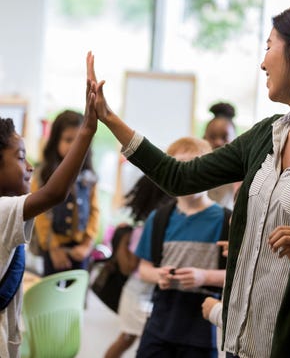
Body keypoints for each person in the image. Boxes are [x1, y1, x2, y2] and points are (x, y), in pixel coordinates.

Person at [87, 0, 290, 355]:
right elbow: (180, 177)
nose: (263, 62)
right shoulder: (267, 135)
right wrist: (109, 117)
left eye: (268, 47)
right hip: (236, 345)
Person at [0, 78, 98, 358]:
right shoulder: (3, 210)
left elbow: (92, 212)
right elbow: (54, 194)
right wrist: (88, 129)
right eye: (20, 157)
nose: (29, 166)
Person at [131, 136, 228, 358]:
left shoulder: (227, 221)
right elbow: (144, 269)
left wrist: (204, 277)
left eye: (193, 166)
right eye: (178, 167)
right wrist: (159, 275)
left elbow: (241, 276)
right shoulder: (159, 219)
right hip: (160, 325)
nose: (186, 175)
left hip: (204, 330)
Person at [104, 175, 174, 358]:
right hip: (137, 294)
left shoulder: (143, 228)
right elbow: (131, 266)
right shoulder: (144, 231)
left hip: (144, 293)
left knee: (128, 339)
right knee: (135, 340)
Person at [31, 110, 100, 276]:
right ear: (55, 141)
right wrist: (53, 247)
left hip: (80, 249)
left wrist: (87, 243)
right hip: (52, 248)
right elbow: (40, 214)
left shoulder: (89, 176)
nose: (74, 145)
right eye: (69, 140)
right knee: (51, 293)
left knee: (76, 294)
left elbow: (95, 210)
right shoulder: (43, 175)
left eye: (79, 140)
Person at [203, 101, 239, 209]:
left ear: (236, 140)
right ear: (204, 138)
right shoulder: (196, 167)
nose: (218, 142)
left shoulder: (241, 172)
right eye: (212, 137)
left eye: (224, 137)